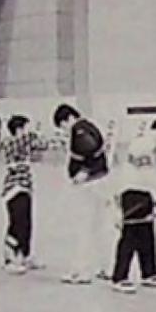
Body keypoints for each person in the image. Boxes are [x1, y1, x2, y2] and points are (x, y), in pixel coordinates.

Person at [110, 118, 156, 293]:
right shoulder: (143, 145)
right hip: (132, 193)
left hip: (143, 193)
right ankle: (119, 276)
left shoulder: (147, 145)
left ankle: (149, 272)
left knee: (146, 235)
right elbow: (147, 174)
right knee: (130, 235)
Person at [52, 103, 113, 284]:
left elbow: (89, 147)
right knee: (100, 227)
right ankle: (107, 267)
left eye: (62, 125)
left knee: (83, 228)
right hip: (101, 181)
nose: (64, 130)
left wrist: (84, 170)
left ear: (68, 119)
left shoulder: (79, 129)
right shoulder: (90, 125)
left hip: (89, 185)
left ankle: (80, 270)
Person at [0, 114, 51, 274]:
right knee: (17, 222)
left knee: (27, 222)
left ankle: (25, 255)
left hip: (25, 185)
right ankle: (10, 258)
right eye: (26, 127)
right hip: (14, 187)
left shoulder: (23, 141)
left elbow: (41, 146)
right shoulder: (12, 142)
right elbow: (41, 143)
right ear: (19, 129)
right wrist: (37, 133)